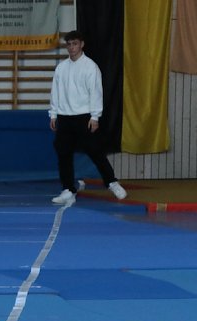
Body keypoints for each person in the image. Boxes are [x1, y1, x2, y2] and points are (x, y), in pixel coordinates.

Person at [49, 30, 127, 206]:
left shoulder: (90, 67)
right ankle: (68, 189)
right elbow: (55, 92)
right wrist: (53, 113)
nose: (72, 47)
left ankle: (112, 182)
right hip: (65, 116)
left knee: (96, 152)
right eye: (69, 44)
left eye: (75, 44)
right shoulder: (61, 68)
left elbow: (96, 92)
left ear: (81, 44)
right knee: (64, 154)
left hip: (84, 117)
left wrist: (95, 116)